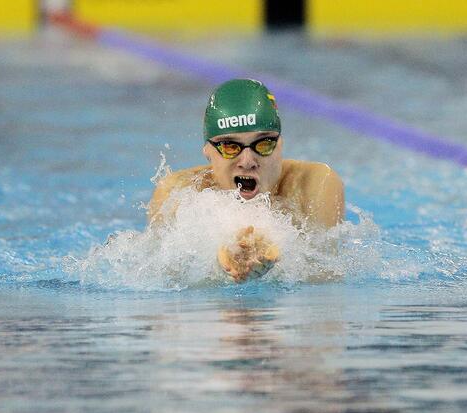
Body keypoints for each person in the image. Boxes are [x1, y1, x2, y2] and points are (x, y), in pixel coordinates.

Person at [148, 78, 345, 282]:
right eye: (230, 146)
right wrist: (217, 269)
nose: (248, 161)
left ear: (280, 144)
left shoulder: (313, 185)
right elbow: (162, 280)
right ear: (208, 151)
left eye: (264, 144)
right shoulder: (177, 192)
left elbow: (325, 279)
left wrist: (281, 258)